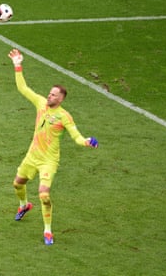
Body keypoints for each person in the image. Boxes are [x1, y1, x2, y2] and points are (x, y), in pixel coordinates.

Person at [7, 49, 98, 245]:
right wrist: (17, 65)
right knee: (17, 184)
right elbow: (23, 88)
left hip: (49, 161)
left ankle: (48, 231)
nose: (49, 96)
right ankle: (24, 205)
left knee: (44, 195)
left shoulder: (64, 116)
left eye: (54, 95)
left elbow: (76, 137)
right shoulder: (40, 103)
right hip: (32, 155)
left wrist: (86, 141)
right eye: (49, 93)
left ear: (61, 99)